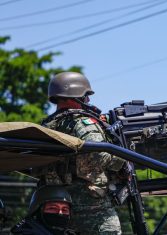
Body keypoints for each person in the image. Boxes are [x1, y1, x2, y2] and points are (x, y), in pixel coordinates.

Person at [40, 71, 128, 234]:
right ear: (76, 95)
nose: (88, 100)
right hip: (92, 210)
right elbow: (99, 155)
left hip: (58, 209)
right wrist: (124, 158)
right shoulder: (81, 123)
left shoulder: (48, 125)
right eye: (85, 96)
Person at [11, 185, 76, 235]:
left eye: (65, 210)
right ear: (37, 211)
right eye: (53, 208)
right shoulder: (25, 232)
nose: (60, 213)